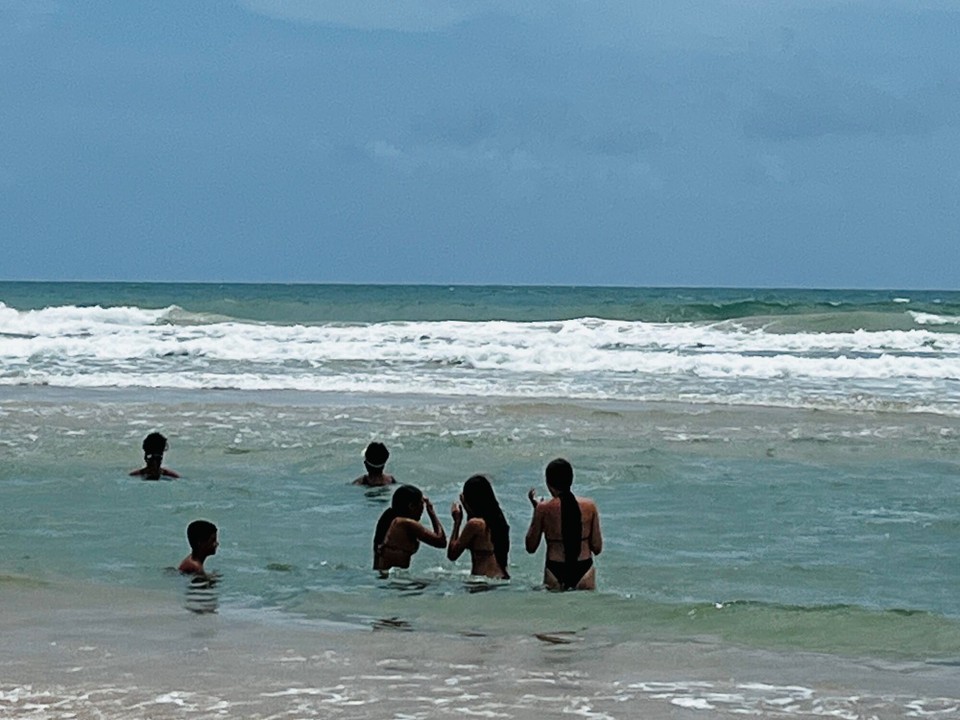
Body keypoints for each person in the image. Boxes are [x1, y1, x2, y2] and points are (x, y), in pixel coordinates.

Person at [525, 458, 602, 591]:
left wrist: (538, 512)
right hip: (584, 569)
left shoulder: (543, 509)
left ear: (548, 483)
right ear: (571, 479)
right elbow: (597, 547)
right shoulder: (590, 506)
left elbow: (531, 547)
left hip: (555, 569)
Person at [447, 475, 510, 579]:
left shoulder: (475, 524)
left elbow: (452, 554)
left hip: (482, 581)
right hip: (500, 576)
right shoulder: (497, 522)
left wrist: (457, 522)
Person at [373, 485, 446, 571]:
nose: (423, 509)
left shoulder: (390, 519)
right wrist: (432, 513)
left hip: (385, 576)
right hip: (393, 578)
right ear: (411, 506)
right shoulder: (406, 523)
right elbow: (441, 542)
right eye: (421, 504)